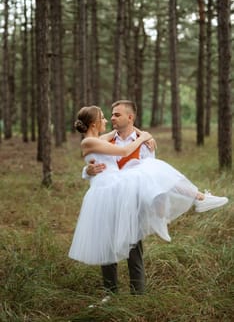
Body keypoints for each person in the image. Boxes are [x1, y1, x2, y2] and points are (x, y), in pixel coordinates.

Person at [68, 103, 228, 297]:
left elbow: (149, 173)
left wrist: (145, 135)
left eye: (115, 115)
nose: (109, 120)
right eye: (105, 117)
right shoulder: (96, 140)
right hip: (109, 191)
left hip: (125, 193)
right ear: (94, 123)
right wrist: (87, 170)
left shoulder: (117, 139)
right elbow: (111, 154)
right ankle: (110, 293)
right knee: (107, 242)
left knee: (134, 243)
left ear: (130, 118)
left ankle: (138, 293)